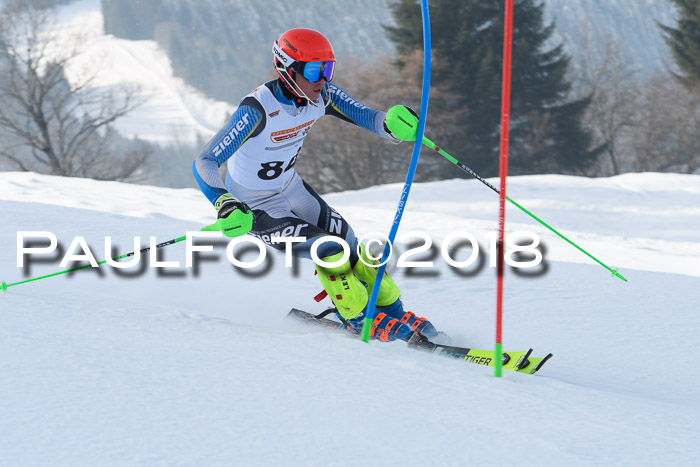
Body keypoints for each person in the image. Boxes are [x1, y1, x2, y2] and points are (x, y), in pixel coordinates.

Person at [193, 28, 438, 343]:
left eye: (327, 69)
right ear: (287, 68)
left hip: (292, 190)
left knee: (354, 247)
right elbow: (205, 161)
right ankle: (357, 317)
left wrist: (393, 125)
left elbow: (370, 118)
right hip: (254, 208)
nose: (322, 79)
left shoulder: (323, 95)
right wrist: (224, 203)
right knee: (330, 250)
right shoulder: (257, 110)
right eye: (313, 70)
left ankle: (393, 313)